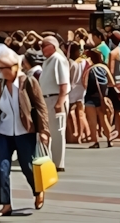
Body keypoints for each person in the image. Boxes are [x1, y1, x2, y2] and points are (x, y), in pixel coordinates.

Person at [0, 46, 50, 216]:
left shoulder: (28, 82)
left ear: (15, 67)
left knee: (27, 167)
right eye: (0, 69)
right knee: (2, 169)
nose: (2, 72)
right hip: (4, 132)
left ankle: (37, 190)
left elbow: (41, 108)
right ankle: (5, 204)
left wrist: (44, 131)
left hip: (25, 131)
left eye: (5, 69)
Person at [38, 35, 71, 172]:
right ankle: (50, 159)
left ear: (52, 46)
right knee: (49, 131)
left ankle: (58, 163)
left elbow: (64, 83)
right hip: (47, 98)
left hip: (55, 98)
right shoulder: (48, 61)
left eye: (44, 45)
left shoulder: (58, 59)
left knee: (58, 132)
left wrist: (59, 102)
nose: (41, 49)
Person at [82, 49, 115, 147]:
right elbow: (112, 82)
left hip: (90, 98)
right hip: (102, 98)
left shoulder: (89, 69)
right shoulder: (104, 67)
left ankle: (95, 142)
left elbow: (84, 84)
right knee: (104, 119)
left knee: (92, 121)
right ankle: (110, 140)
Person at [65, 42, 88, 146]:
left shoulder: (71, 63)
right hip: (82, 88)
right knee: (81, 113)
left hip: (73, 88)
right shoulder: (84, 61)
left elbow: (70, 78)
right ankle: (83, 134)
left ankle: (74, 134)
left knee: (71, 112)